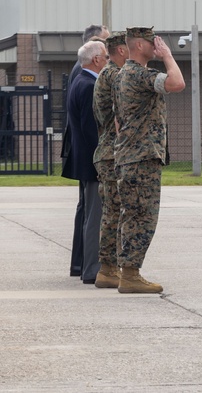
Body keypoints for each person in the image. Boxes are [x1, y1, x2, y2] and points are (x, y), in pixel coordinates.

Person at [113, 27, 185, 293]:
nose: (157, 45)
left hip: (129, 155)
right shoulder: (140, 74)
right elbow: (177, 83)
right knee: (143, 216)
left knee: (131, 214)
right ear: (140, 46)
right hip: (142, 158)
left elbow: (118, 121)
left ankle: (128, 273)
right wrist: (167, 56)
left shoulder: (121, 75)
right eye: (152, 42)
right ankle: (130, 275)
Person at [62, 24, 110, 279]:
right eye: (106, 56)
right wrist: (103, 162)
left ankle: (83, 266)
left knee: (90, 213)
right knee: (95, 216)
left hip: (85, 160)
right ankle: (91, 269)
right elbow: (92, 131)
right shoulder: (89, 85)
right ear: (96, 59)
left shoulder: (80, 80)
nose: (109, 61)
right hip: (93, 162)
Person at [91, 32, 127, 288]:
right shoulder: (115, 74)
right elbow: (119, 117)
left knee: (112, 211)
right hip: (113, 152)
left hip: (109, 151)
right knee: (114, 212)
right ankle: (108, 269)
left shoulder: (107, 73)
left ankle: (109, 268)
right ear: (123, 50)